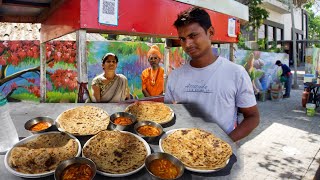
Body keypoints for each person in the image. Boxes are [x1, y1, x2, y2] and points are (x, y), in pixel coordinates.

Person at [164, 7, 260, 142]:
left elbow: (252, 117)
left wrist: (223, 144)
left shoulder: (235, 73)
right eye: (182, 39)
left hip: (220, 158)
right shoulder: (175, 76)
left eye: (193, 36)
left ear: (210, 32)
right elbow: (169, 115)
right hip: (182, 151)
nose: (187, 44)